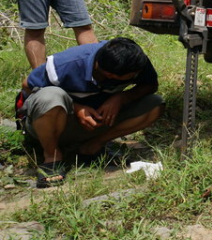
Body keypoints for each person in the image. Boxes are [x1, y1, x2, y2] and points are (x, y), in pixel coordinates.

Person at [18, 37, 165, 188]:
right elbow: (27, 85)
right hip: (55, 122)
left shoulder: (135, 62)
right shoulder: (67, 62)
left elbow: (150, 86)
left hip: (97, 121)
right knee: (50, 96)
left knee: (155, 104)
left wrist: (121, 97)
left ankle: (92, 146)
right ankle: (52, 156)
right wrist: (76, 107)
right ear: (110, 75)